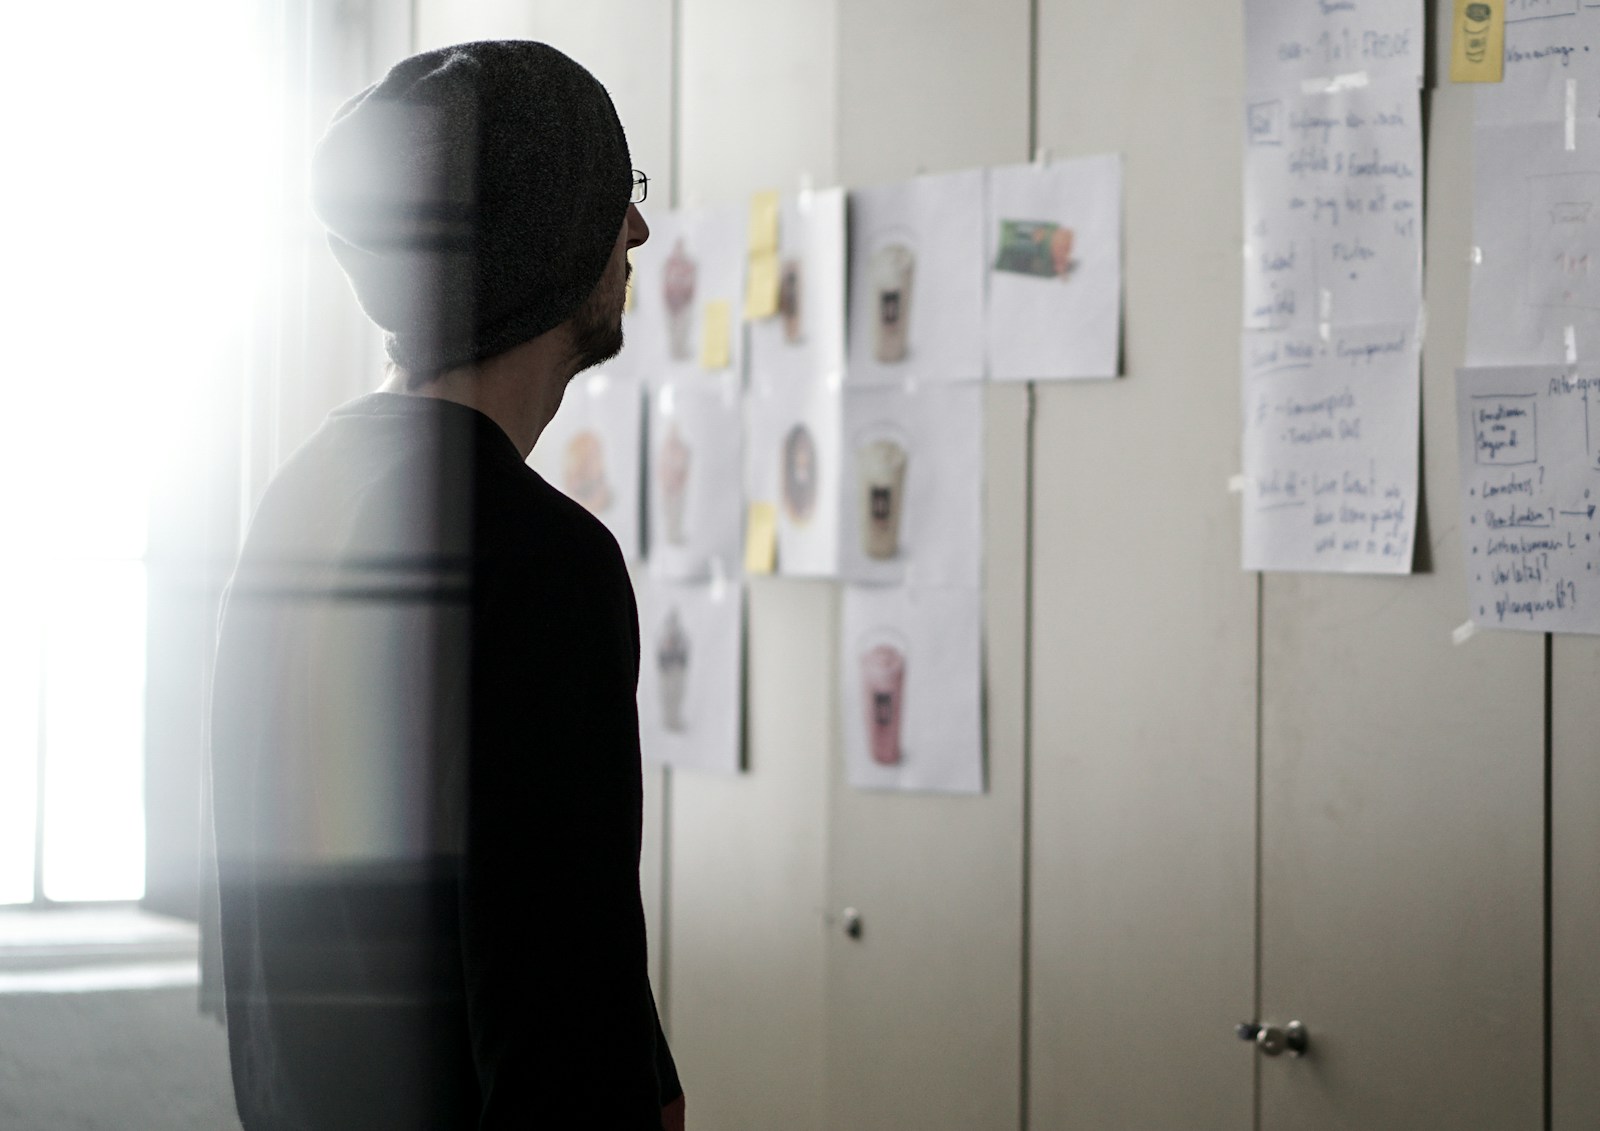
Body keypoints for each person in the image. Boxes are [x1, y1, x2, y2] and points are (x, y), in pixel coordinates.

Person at [209, 40, 684, 1129]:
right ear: (543, 239)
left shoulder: (300, 496)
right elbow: (563, 1014)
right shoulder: (535, 559)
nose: (637, 230)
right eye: (614, 196)